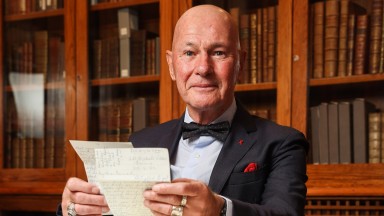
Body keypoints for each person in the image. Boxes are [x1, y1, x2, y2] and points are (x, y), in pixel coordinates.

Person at [58, 4, 308, 216]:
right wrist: (72, 208)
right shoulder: (141, 141)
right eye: (189, 52)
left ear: (240, 64)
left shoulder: (283, 143)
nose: (203, 68)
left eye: (218, 53)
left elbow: (284, 213)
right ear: (171, 65)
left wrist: (221, 209)